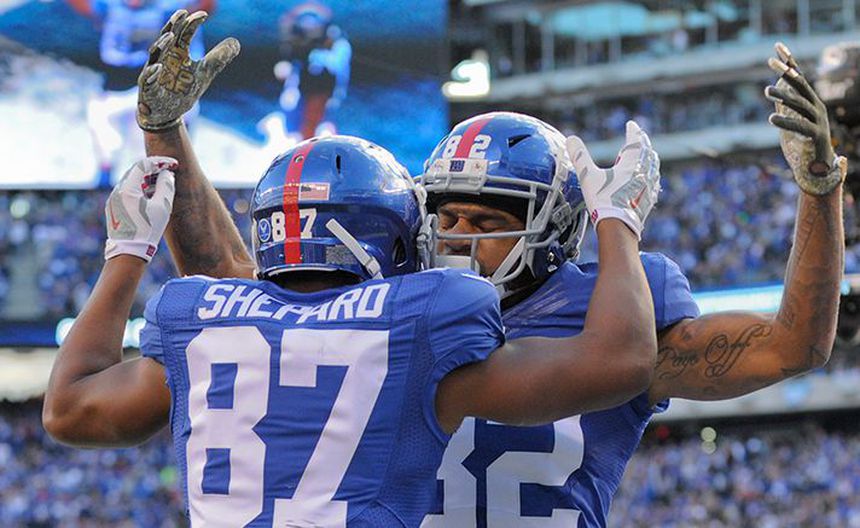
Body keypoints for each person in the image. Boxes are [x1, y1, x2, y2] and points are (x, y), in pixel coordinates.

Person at [148, 28, 847, 526]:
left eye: (486, 220)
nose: (457, 236)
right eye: (446, 216)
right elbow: (236, 293)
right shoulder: (395, 300)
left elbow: (793, 347)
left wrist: (819, 192)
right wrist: (167, 132)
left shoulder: (611, 314)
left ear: (553, 228)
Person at [44, 128, 660, 527]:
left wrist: (126, 252)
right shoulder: (420, 319)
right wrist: (618, 220)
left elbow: (68, 410)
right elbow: (623, 361)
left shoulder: (199, 315)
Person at [66, 0, 213, 187]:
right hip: (119, 82)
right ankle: (106, 176)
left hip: (160, 82)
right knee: (102, 123)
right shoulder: (110, 6)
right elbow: (89, 9)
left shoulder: (172, 7)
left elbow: (204, 9)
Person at [274, 1, 351, 144]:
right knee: (299, 122)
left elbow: (338, 66)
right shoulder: (298, 43)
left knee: (317, 121)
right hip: (302, 89)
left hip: (324, 91)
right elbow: (290, 64)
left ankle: (314, 144)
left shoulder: (337, 43)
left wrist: (317, 56)